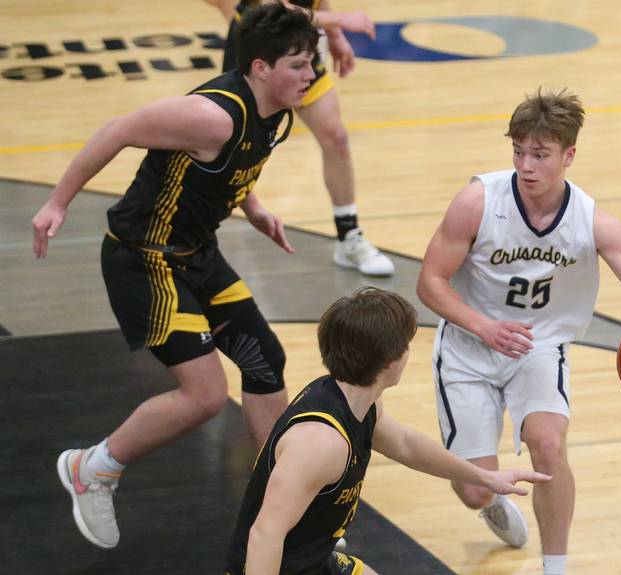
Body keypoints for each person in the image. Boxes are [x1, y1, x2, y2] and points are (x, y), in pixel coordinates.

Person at [32, 2, 319, 550]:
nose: (309, 75)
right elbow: (118, 129)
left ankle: (272, 509)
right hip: (144, 257)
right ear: (261, 68)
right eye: (298, 64)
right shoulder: (212, 114)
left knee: (265, 361)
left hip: (195, 252)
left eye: (311, 63)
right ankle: (94, 468)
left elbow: (228, 160)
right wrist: (57, 203)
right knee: (206, 396)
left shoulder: (275, 108)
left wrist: (252, 206)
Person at [416, 88, 621, 575]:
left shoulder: (593, 222)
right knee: (473, 488)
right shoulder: (477, 201)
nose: (526, 165)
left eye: (540, 154)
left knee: (548, 444)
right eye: (518, 151)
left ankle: (556, 567)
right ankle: (490, 502)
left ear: (569, 155)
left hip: (539, 346)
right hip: (469, 345)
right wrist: (484, 326)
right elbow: (429, 282)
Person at [225, 287, 552, 575]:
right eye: (407, 345)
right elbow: (264, 536)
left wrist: (484, 477)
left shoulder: (359, 401)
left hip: (313, 558)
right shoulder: (321, 443)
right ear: (392, 360)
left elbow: (406, 445)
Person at [207, 0, 395, 277]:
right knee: (238, 146)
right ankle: (203, 228)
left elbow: (319, 2)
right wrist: (342, 21)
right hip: (260, 55)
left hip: (298, 50)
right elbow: (277, 9)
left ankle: (349, 236)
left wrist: (336, 36)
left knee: (336, 137)